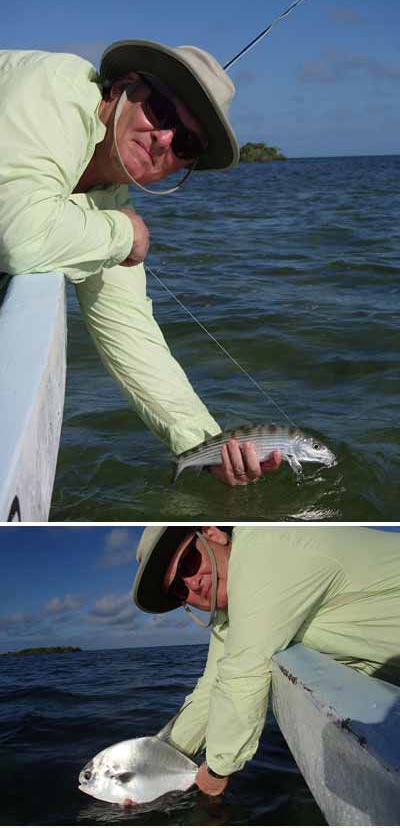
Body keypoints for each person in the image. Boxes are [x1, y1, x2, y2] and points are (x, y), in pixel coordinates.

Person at [0, 41, 281, 486]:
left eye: (186, 143)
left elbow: (129, 330)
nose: (165, 139)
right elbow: (19, 234)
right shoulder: (52, 91)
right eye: (164, 112)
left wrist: (207, 448)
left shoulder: (110, 197)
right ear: (125, 88)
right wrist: (126, 233)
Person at [133, 525, 400, 794]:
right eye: (178, 589)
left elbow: (244, 671)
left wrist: (216, 770)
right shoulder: (232, 614)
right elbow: (211, 689)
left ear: (214, 534)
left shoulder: (263, 546)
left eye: (189, 563)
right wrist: (157, 758)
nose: (191, 583)